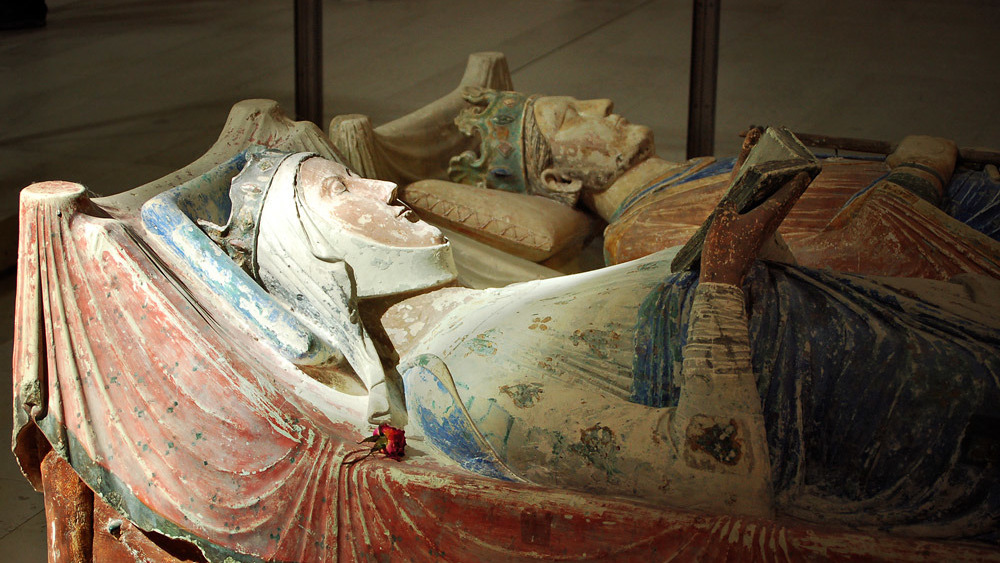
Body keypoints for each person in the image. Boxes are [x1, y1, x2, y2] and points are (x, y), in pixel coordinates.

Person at [200, 143, 999, 542]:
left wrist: (733, 239)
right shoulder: (456, 392)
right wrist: (720, 276)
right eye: (341, 190)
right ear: (316, 257)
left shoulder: (488, 307)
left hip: (874, 334)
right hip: (881, 411)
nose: (383, 188)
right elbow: (716, 475)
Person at [442, 88, 1000, 280]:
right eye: (571, 117)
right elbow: (840, 268)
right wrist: (918, 173)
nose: (602, 104)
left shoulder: (689, 171)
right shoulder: (639, 237)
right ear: (558, 179)